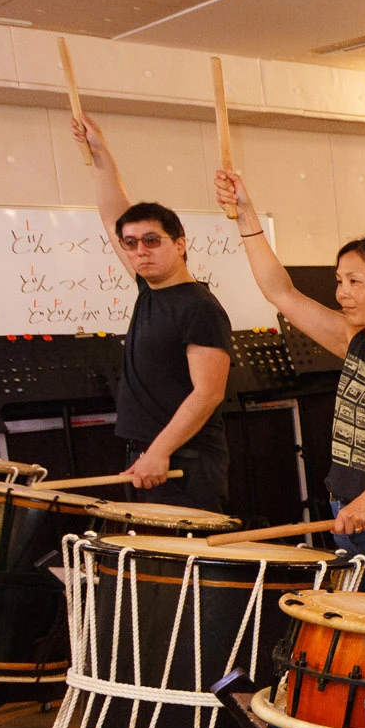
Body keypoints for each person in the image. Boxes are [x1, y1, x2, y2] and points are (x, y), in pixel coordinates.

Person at [213, 167, 365, 603]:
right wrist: (245, 216)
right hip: (349, 516)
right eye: (339, 281)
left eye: (355, 282)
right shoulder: (353, 339)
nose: (343, 293)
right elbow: (280, 292)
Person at [76, 116, 232, 512]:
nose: (139, 250)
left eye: (151, 240)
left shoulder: (198, 305)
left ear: (180, 244)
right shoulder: (149, 289)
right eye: (131, 244)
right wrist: (101, 152)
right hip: (148, 456)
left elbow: (209, 392)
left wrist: (160, 451)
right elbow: (112, 209)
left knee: (186, 570)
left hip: (184, 462)